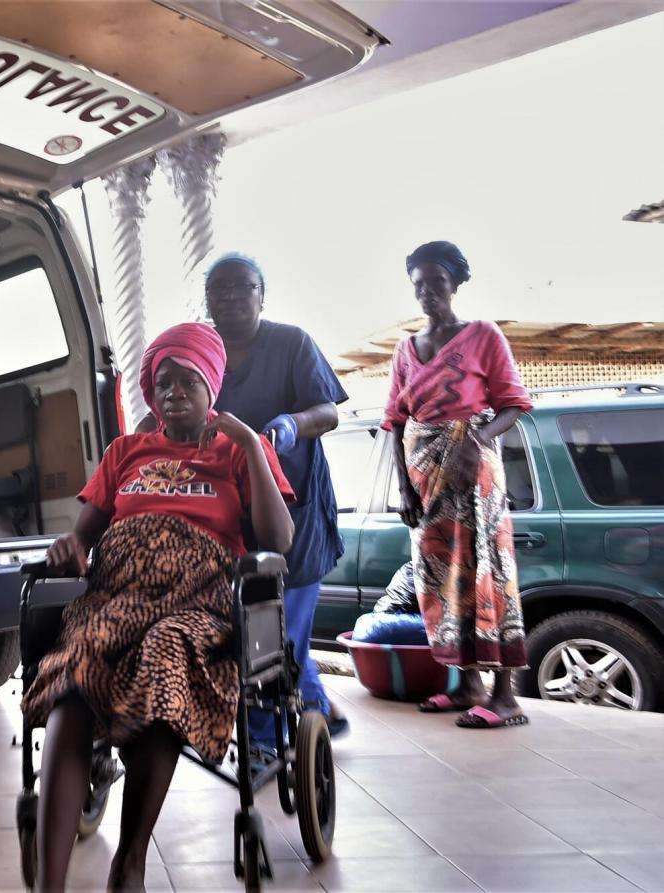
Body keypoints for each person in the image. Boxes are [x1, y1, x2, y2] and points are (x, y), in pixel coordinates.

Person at [24, 323, 294, 892]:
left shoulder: (239, 450)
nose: (173, 391)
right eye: (163, 381)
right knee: (78, 669)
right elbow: (83, 539)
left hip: (198, 599)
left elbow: (280, 539)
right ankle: (50, 886)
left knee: (166, 653)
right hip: (117, 592)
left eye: (188, 380)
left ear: (211, 385)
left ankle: (130, 863)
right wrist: (70, 548)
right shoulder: (125, 451)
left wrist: (249, 446)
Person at [142, 252, 349, 744]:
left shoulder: (291, 343)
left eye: (242, 285)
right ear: (207, 300)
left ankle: (265, 733)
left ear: (262, 293)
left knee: (281, 621)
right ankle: (314, 707)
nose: (231, 295)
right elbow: (168, 406)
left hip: (291, 507)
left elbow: (330, 411)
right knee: (253, 622)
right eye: (219, 288)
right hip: (229, 513)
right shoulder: (199, 349)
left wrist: (292, 425)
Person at [384, 240, 533, 729]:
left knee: (486, 574)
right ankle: (467, 684)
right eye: (419, 286)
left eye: (438, 283)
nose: (428, 294)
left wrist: (478, 440)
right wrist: (404, 487)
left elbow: (513, 403)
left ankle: (506, 696)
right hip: (426, 481)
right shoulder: (405, 349)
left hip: (473, 474)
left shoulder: (483, 335)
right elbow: (396, 420)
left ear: (456, 284)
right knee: (440, 580)